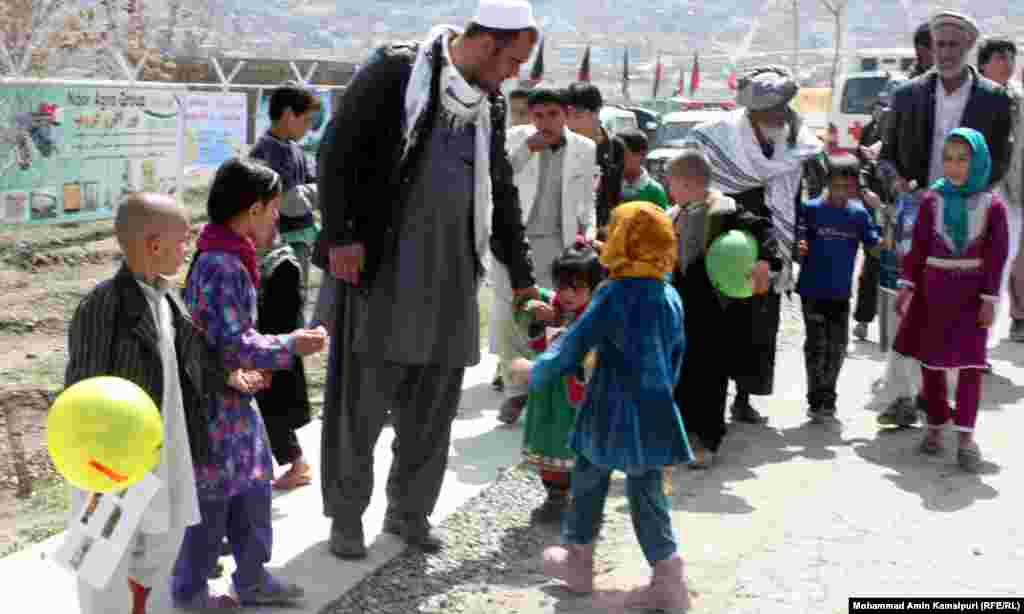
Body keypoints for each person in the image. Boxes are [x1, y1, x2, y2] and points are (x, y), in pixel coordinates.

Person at [317, 0, 541, 559]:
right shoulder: (397, 72)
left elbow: (502, 191)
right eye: (513, 60)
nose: (515, 73)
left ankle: (409, 512)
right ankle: (347, 517)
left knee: (435, 405)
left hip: (454, 274)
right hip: (384, 271)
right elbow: (336, 151)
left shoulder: (488, 103)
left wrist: (522, 276)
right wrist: (342, 234)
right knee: (361, 405)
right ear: (488, 43)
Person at [65, 193, 238, 614]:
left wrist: (231, 377)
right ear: (154, 245)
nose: (188, 247)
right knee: (101, 558)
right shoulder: (104, 304)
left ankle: (143, 604)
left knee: (165, 536)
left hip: (167, 446)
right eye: (182, 240)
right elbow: (83, 388)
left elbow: (190, 358)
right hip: (112, 456)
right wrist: (100, 463)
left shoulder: (166, 297)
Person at [172, 158, 327, 608]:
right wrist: (290, 345)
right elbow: (231, 341)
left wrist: (246, 368)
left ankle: (252, 578)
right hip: (216, 409)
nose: (278, 217)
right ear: (255, 208)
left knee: (253, 489)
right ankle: (191, 591)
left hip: (231, 397)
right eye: (274, 207)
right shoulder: (223, 264)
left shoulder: (220, 252)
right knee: (215, 502)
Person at [535, 202, 691, 612]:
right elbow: (676, 354)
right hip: (654, 411)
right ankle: (669, 578)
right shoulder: (670, 296)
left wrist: (536, 371)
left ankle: (578, 561)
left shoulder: (613, 293)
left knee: (588, 482)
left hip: (607, 410)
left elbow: (575, 342)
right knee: (647, 495)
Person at [686, 66, 823, 424]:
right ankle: (709, 401)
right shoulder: (715, 137)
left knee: (759, 323)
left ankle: (744, 397)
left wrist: (791, 244)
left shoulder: (797, 139)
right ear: (753, 111)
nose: (781, 114)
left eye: (784, 106)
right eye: (774, 108)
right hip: (722, 236)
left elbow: (801, 193)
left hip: (769, 242)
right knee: (717, 320)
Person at [893, 128, 1009, 472]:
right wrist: (908, 285)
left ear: (979, 161)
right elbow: (919, 249)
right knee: (933, 364)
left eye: (963, 159)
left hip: (973, 295)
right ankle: (935, 427)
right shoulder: (932, 200)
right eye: (948, 159)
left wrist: (990, 298)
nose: (954, 166)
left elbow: (997, 255)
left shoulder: (993, 206)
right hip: (934, 291)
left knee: (971, 365)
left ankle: (967, 437)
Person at [666, 148, 775, 469]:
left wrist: (765, 262)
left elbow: (763, 230)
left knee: (710, 376)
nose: (669, 188)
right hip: (678, 307)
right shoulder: (674, 213)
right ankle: (683, 435)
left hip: (714, 310)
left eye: (671, 182)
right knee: (682, 374)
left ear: (688, 183)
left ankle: (708, 439)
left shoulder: (725, 210)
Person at [495, 86, 597, 425]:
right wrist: (526, 150)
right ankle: (514, 391)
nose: (546, 122)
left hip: (560, 243)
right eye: (539, 115)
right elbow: (495, 179)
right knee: (510, 316)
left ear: (565, 114)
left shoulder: (584, 148)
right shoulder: (515, 139)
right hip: (514, 242)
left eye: (553, 115)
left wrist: (590, 234)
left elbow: (587, 200)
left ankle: (549, 386)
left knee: (555, 315)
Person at [517, 242, 603, 522]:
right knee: (548, 443)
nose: (566, 294)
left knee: (579, 449)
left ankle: (585, 503)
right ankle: (555, 498)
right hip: (548, 394)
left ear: (593, 287)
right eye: (562, 286)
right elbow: (526, 313)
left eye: (576, 287)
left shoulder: (597, 317)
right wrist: (537, 317)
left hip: (578, 396)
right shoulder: (553, 307)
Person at [796, 155, 882, 423]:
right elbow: (796, 240)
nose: (841, 193)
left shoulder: (858, 214)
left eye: (848, 187)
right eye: (836, 186)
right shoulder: (809, 210)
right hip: (811, 291)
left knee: (838, 346)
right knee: (816, 345)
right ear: (826, 183)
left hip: (840, 294)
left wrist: (887, 219)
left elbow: (875, 246)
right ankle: (815, 399)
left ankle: (829, 396)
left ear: (855, 187)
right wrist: (799, 249)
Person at [249, 85, 321, 299]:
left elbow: (311, 183)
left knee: (297, 300)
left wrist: (310, 191)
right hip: (276, 244)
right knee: (280, 303)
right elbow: (289, 202)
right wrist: (319, 193)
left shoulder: (296, 149)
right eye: (307, 120)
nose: (309, 128)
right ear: (289, 115)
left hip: (300, 240)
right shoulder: (265, 152)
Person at [255, 237, 314, 490]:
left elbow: (281, 317)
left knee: (273, 411)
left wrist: (269, 357)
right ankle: (296, 464)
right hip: (274, 349)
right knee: (271, 411)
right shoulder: (277, 260)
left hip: (276, 352)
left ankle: (298, 465)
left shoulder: (283, 265)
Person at [565, 81, 626, 231]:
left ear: (596, 112)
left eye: (577, 114)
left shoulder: (614, 147)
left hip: (599, 229)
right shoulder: (561, 143)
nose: (569, 120)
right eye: (567, 113)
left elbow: (613, 194)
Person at [618, 128, 670, 210]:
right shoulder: (611, 185)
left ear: (642, 155)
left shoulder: (654, 191)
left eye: (623, 154)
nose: (618, 159)